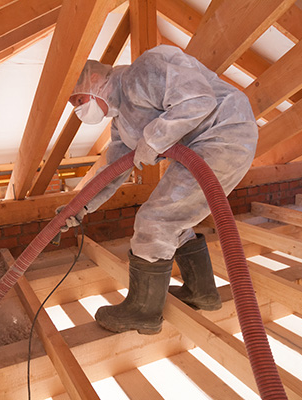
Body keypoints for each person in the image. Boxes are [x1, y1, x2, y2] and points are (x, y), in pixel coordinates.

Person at [61, 44, 258, 335]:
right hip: (202, 146)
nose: (79, 110)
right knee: (173, 219)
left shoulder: (147, 68)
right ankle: (201, 292)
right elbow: (110, 171)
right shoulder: (122, 123)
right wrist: (79, 207)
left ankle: (143, 312)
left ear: (92, 80)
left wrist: (152, 140)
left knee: (155, 220)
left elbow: (197, 101)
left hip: (225, 133)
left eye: (78, 99)